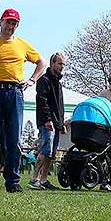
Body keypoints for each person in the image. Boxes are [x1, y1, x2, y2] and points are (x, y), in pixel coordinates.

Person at [0, 8, 46, 193]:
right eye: (8, 22)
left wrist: (31, 80)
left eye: (14, 23)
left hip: (15, 92)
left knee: (14, 140)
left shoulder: (22, 44)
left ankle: (12, 181)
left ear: (17, 26)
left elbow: (42, 62)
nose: (10, 26)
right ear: (0, 22)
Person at [29, 53, 67, 190]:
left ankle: (44, 179)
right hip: (47, 122)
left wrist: (61, 123)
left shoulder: (58, 83)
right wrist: (47, 119)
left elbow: (60, 106)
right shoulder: (44, 80)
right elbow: (42, 101)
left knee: (52, 152)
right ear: (52, 63)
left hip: (56, 123)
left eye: (63, 64)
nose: (62, 67)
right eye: (60, 64)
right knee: (45, 149)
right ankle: (34, 179)